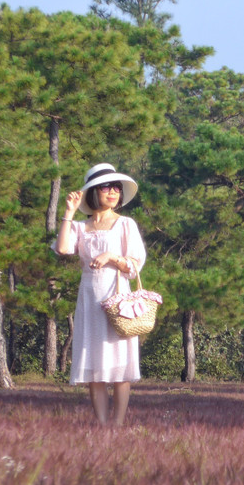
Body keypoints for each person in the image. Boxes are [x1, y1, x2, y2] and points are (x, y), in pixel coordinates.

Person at [52, 163, 146, 426]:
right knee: (95, 367)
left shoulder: (125, 224)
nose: (113, 192)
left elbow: (135, 264)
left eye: (116, 187)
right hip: (90, 299)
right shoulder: (80, 227)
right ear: (93, 192)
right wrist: (69, 212)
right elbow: (62, 249)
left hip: (118, 297)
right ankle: (103, 427)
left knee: (121, 365)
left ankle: (117, 425)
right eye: (106, 187)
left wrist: (112, 257)